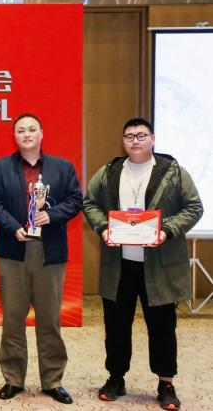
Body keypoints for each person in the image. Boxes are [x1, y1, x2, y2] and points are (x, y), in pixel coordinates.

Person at [82, 117, 203, 411]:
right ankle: (116, 378)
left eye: (141, 135)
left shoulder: (172, 171)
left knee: (162, 327)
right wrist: (103, 228)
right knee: (116, 326)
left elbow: (194, 207)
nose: (135, 141)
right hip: (119, 265)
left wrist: (167, 230)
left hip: (158, 266)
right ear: (123, 141)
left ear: (152, 139)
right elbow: (89, 203)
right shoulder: (110, 171)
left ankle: (166, 383)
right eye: (129, 136)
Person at [0, 113, 82, 405]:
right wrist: (13, 227)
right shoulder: (0, 167)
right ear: (15, 136)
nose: (26, 134)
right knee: (13, 319)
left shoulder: (62, 168)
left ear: (41, 134)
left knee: (49, 320)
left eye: (32, 129)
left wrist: (51, 215)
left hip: (49, 253)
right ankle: (13, 379)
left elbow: (75, 200)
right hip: (13, 251)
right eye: (21, 130)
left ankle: (53, 380)